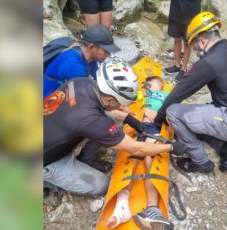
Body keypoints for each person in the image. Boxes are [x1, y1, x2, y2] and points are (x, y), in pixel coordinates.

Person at [43, 61, 187, 196]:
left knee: (108, 117)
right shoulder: (90, 119)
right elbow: (136, 149)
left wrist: (131, 120)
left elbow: (105, 111)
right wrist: (170, 148)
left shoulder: (81, 82)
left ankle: (85, 160)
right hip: (46, 160)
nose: (121, 107)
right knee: (103, 185)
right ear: (109, 99)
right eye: (120, 103)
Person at [154, 12, 227, 173]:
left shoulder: (209, 62)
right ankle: (225, 148)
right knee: (193, 116)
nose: (196, 53)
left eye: (195, 48)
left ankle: (200, 162)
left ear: (202, 41)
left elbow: (178, 93)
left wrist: (158, 118)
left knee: (174, 112)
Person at [106, 76, 172, 229]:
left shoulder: (166, 96)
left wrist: (161, 116)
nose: (151, 86)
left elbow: (173, 114)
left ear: (161, 86)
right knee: (132, 154)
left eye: (154, 83)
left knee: (151, 154)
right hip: (136, 126)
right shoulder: (139, 94)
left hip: (154, 127)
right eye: (148, 83)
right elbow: (125, 107)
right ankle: (122, 206)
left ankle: (152, 209)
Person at [43, 24, 119, 99]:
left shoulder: (90, 58)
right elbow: (86, 95)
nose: (109, 55)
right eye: (105, 51)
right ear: (92, 47)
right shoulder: (74, 65)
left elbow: (98, 79)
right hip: (47, 98)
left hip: (64, 90)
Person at [164, 0, 201, 74]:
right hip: (176, 10)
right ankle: (177, 65)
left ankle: (184, 68)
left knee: (187, 42)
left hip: (191, 12)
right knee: (177, 39)